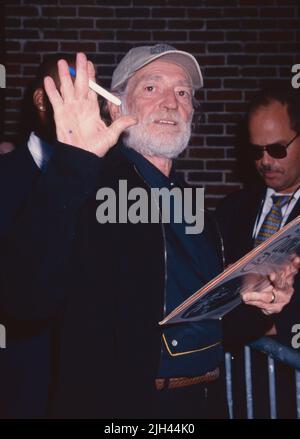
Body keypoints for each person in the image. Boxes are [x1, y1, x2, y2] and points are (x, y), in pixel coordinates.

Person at [1, 46, 298, 419]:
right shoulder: (86, 188)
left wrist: (258, 303)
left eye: (183, 92)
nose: (172, 103)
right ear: (116, 108)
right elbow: (24, 300)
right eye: (151, 89)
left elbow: (203, 327)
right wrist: (73, 164)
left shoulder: (195, 208)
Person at [216, 88, 300, 418]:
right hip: (235, 392)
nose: (265, 161)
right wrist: (258, 327)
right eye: (256, 151)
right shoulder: (230, 210)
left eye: (277, 149)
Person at [0, 54, 75, 418]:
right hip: (22, 380)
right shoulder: (5, 176)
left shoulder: (105, 181)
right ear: (42, 101)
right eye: (67, 94)